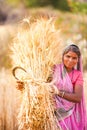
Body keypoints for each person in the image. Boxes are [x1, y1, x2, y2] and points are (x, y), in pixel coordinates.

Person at [16, 44, 87, 130]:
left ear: (78, 60)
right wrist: (25, 85)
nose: (70, 60)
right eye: (67, 56)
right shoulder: (53, 69)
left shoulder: (77, 74)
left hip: (68, 115)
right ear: (62, 56)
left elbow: (77, 98)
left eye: (74, 58)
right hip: (49, 113)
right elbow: (40, 84)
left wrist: (58, 92)